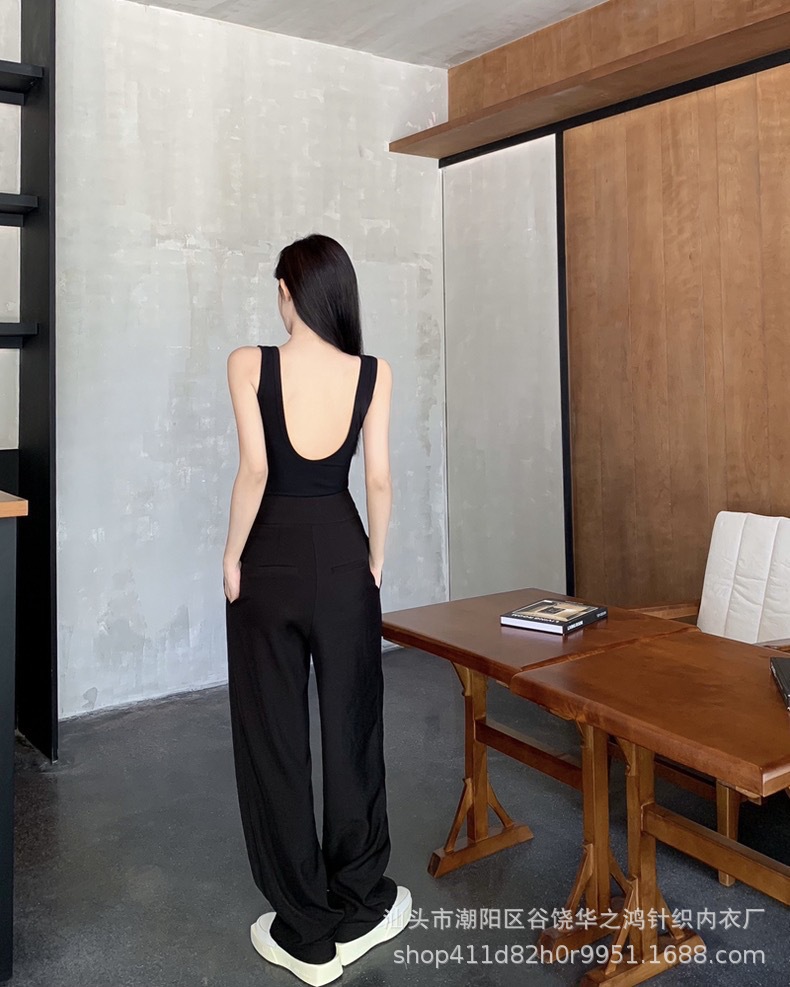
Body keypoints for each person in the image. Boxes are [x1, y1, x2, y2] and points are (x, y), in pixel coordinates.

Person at [222, 234, 411, 986]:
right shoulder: (373, 372)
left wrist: (232, 557)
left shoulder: (249, 363)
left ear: (285, 291)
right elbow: (381, 480)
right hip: (343, 558)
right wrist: (375, 559)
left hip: (268, 563)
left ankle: (305, 930)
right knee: (352, 728)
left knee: (274, 735)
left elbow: (255, 470)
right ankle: (361, 899)